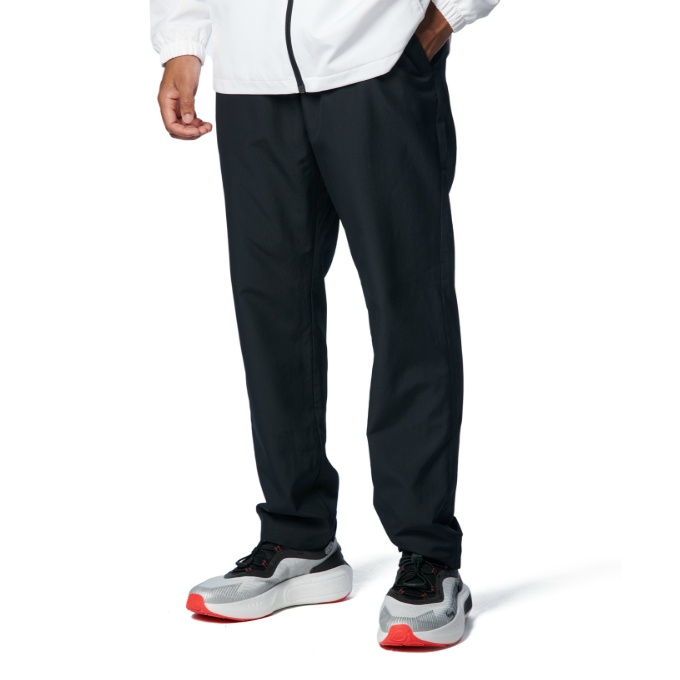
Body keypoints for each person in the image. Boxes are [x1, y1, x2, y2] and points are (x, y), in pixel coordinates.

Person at [150, 0, 500, 648]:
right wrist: (182, 42)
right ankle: (298, 538)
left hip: (377, 66)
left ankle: (429, 557)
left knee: (407, 305)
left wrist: (441, 18)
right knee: (270, 312)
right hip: (251, 81)